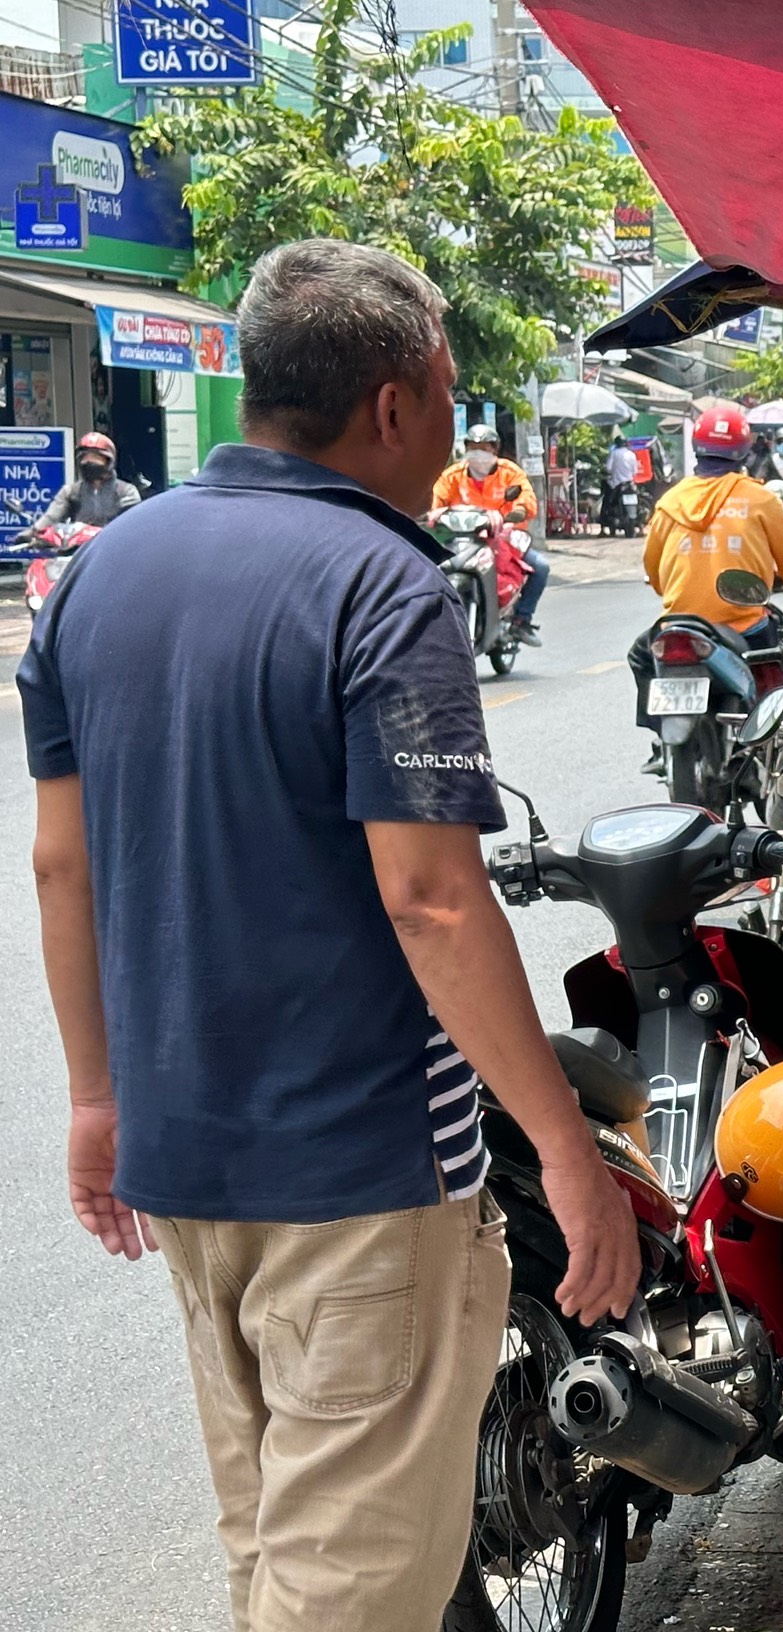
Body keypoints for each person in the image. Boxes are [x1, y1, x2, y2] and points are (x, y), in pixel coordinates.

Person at [17, 238, 639, 1631]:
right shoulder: (382, 583)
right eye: (451, 394)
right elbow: (430, 898)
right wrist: (565, 1153)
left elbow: (64, 868)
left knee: (275, 1554)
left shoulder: (98, 577)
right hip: (357, 1174)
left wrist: (96, 1102)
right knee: (348, 1598)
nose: (454, 428)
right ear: (396, 404)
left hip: (186, 1169)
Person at [630, 400, 783, 754]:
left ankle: (660, 736)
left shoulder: (670, 501)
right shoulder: (760, 498)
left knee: (639, 657)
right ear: (745, 451)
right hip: (745, 625)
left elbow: (655, 576)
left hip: (679, 624)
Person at [432, 423, 548, 646]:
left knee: (541, 567)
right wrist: (433, 512)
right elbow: (437, 497)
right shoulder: (454, 475)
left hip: (504, 538)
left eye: (484, 448)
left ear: (494, 450)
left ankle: (522, 620)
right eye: (474, 447)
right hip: (464, 538)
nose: (479, 453)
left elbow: (527, 500)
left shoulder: (509, 472)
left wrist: (518, 511)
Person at [28, 431, 141, 533]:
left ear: (109, 461)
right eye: (84, 457)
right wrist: (33, 532)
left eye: (95, 457)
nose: (88, 462)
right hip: (78, 549)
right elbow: (52, 517)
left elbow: (132, 522)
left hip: (113, 548)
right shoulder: (71, 492)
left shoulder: (126, 491)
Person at [604, 436, 639, 531]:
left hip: (616, 483)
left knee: (607, 501)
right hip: (630, 483)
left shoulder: (614, 453)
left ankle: (604, 522)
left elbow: (608, 468)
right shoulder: (632, 454)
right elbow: (635, 471)